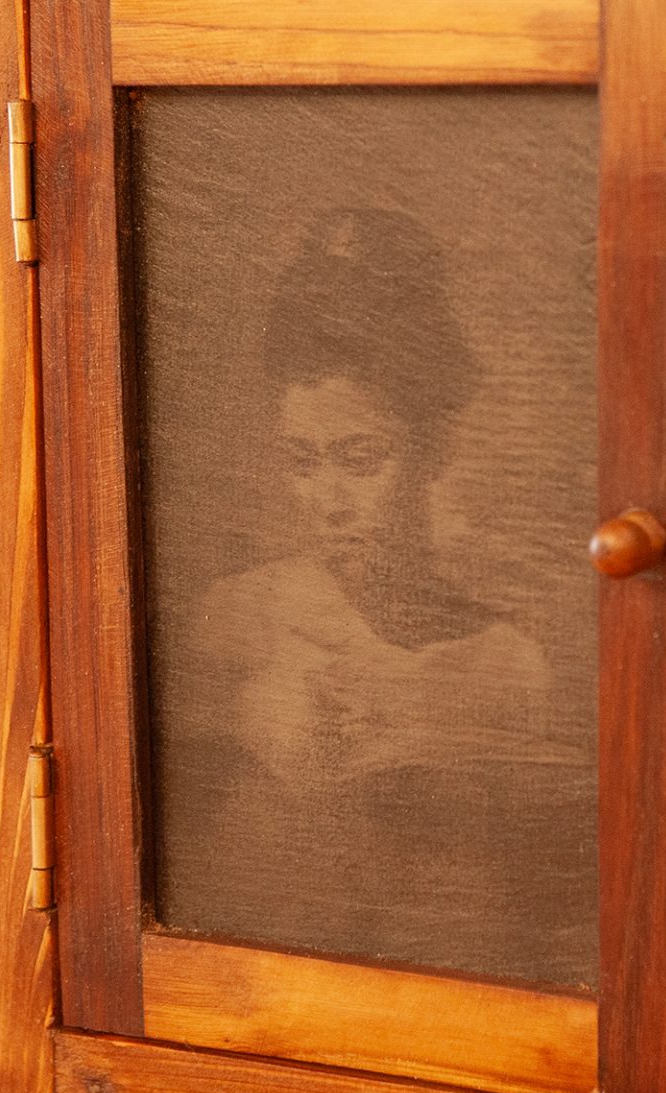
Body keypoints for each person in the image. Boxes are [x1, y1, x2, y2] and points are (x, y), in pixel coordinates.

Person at [181, 207, 594, 986]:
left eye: (361, 459)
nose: (328, 502)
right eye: (302, 462)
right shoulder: (241, 615)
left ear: (431, 451)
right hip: (253, 985)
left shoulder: (507, 662)